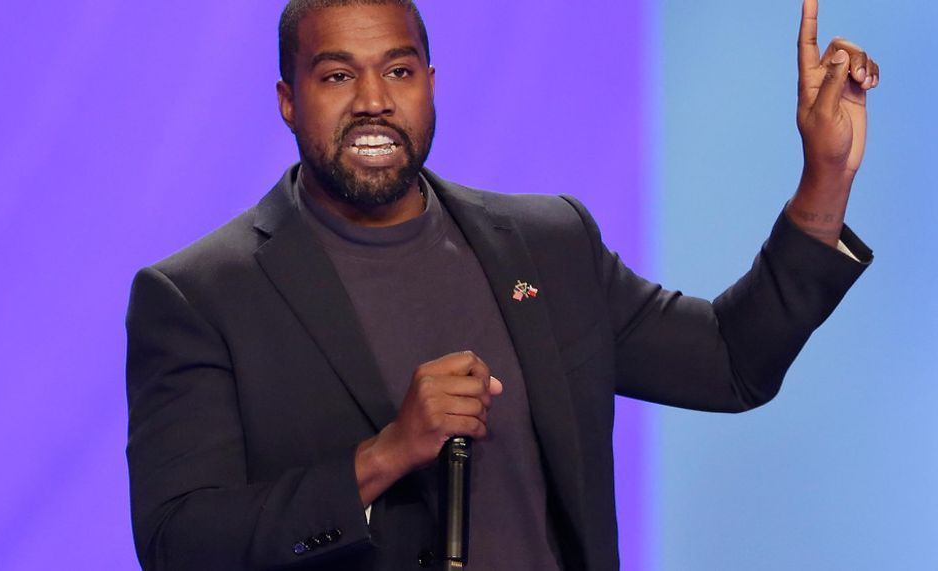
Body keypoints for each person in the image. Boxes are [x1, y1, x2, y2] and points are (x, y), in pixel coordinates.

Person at [124, 0, 878, 569]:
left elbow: (728, 361)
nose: (373, 100)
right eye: (335, 75)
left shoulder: (547, 245)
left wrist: (823, 177)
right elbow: (179, 540)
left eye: (397, 69)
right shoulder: (202, 295)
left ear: (429, 82)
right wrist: (384, 454)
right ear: (288, 99)